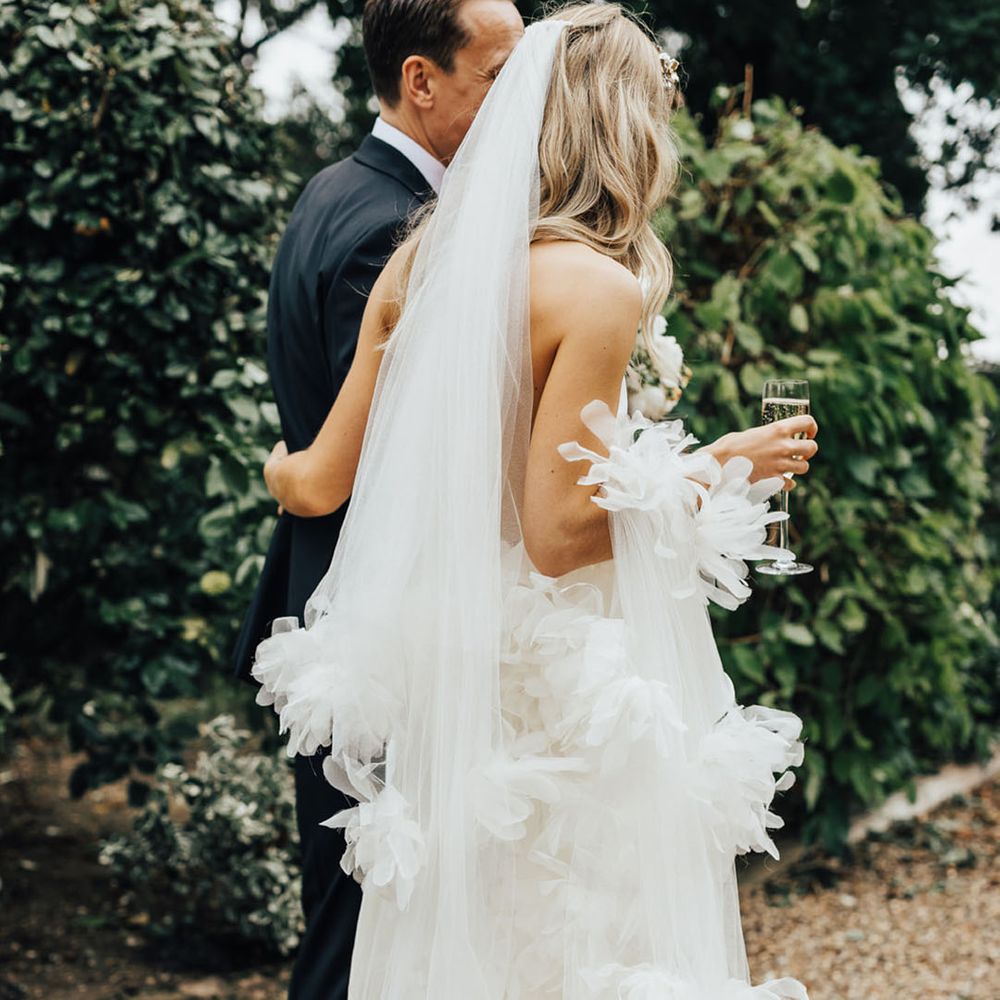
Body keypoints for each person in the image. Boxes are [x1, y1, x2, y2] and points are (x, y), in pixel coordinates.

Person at [252, 3, 819, 997]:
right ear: (624, 127)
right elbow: (557, 534)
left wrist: (268, 464)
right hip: (560, 703)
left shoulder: (421, 261)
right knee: (574, 950)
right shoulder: (597, 292)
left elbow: (316, 481)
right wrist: (709, 469)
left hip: (451, 693)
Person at [231, 1, 524, 997]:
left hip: (337, 609)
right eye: (500, 77)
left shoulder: (330, 190)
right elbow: (393, 458)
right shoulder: (395, 232)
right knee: (362, 932)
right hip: (378, 634)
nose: (520, 102)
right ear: (420, 79)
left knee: (361, 911)